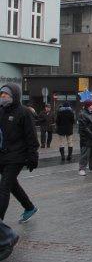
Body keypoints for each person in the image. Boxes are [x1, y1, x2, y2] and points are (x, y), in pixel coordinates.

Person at [0, 83, 39, 223]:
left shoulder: (24, 112)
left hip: (17, 156)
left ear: (14, 96)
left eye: (6, 94)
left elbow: (31, 136)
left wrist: (32, 156)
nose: (3, 96)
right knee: (12, 185)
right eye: (1, 94)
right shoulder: (1, 111)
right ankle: (29, 207)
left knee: (4, 187)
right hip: (3, 155)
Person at [77, 99, 92, 176]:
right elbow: (84, 128)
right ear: (88, 106)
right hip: (87, 138)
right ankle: (82, 169)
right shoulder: (83, 114)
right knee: (85, 154)